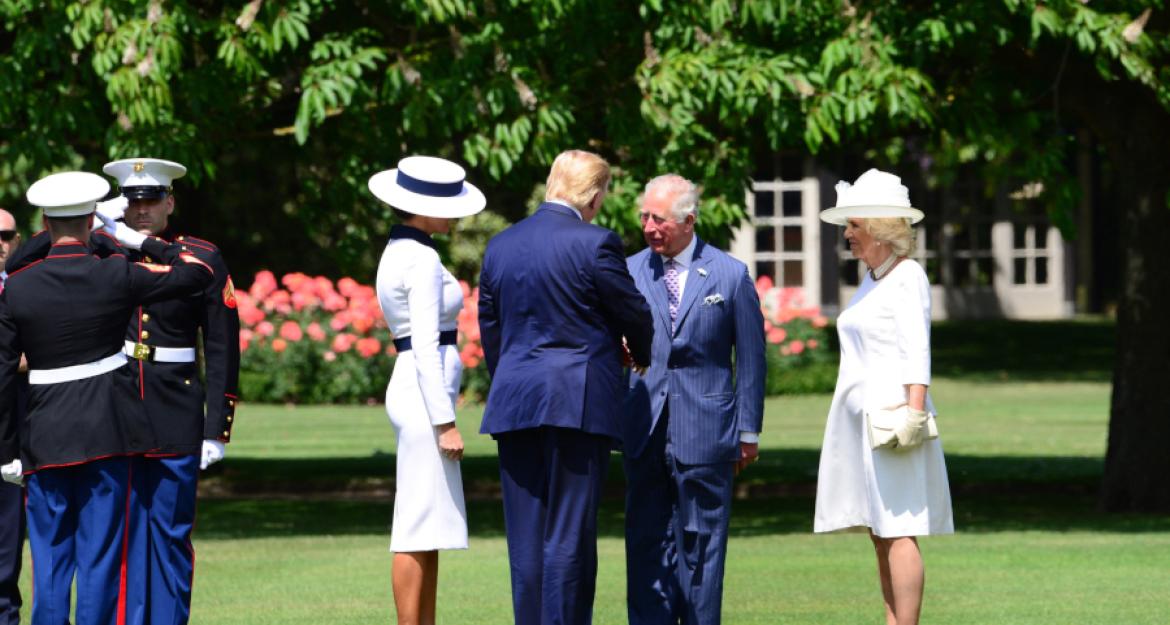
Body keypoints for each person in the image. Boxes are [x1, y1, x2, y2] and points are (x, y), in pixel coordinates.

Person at [0, 171, 214, 625]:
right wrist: (135, 241)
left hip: (44, 436)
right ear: (93, 219)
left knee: (51, 563)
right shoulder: (115, 271)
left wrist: (6, 451)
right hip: (106, 433)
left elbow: (2, 375)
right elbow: (197, 272)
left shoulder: (17, 284)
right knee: (99, 560)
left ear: (43, 220)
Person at [478, 149, 653, 625]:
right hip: (576, 402)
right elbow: (633, 310)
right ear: (595, 195)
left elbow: (491, 331)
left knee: (526, 540)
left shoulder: (500, 245)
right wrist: (641, 352)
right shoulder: (596, 243)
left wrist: (513, 378)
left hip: (514, 401)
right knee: (569, 537)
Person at [622, 175, 766, 625]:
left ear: (689, 220)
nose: (649, 226)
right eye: (644, 216)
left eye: (659, 219)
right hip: (643, 428)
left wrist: (748, 430)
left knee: (703, 545)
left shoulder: (730, 274)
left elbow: (752, 358)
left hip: (707, 432)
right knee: (645, 541)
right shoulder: (627, 272)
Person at [102, 157, 239, 625]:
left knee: (169, 535)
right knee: (118, 534)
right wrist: (94, 215)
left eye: (152, 200)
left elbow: (221, 346)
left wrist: (216, 427)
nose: (142, 211)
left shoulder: (199, 255)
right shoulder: (102, 249)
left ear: (170, 202)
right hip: (115, 405)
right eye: (132, 202)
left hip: (175, 407)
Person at [813, 169, 954, 625]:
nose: (847, 235)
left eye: (853, 225)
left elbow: (918, 348)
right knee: (879, 531)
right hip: (862, 422)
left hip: (893, 421)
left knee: (898, 528)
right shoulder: (875, 278)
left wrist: (914, 413)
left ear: (876, 227)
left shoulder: (907, 276)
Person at [370, 156, 484, 625]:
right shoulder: (419, 258)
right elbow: (422, 343)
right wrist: (446, 422)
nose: (457, 214)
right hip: (423, 393)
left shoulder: (406, 250)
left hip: (418, 386)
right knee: (416, 524)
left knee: (427, 525)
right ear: (423, 208)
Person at [0, 208, 23, 625]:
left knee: (8, 539)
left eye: (6, 236)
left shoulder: (28, 288)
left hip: (17, 433)